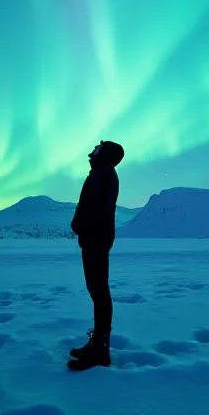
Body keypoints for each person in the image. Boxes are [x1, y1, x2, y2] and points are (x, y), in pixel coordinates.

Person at [67, 140, 124, 371]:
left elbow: (97, 210)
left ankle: (100, 350)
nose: (95, 147)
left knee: (99, 292)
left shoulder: (103, 174)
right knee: (97, 291)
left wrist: (82, 227)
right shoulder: (102, 173)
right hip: (95, 240)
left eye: (100, 146)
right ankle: (98, 345)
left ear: (106, 153)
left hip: (95, 241)